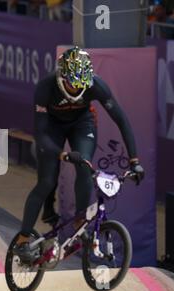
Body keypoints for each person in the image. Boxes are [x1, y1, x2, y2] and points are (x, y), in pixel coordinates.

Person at [12, 47, 145, 260]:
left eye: (80, 85)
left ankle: (79, 225)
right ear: (61, 76)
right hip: (51, 128)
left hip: (82, 123)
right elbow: (41, 136)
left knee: (84, 166)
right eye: (71, 84)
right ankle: (22, 239)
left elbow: (121, 120)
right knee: (46, 182)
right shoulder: (45, 88)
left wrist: (134, 160)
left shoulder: (96, 85)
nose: (75, 90)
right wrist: (63, 155)